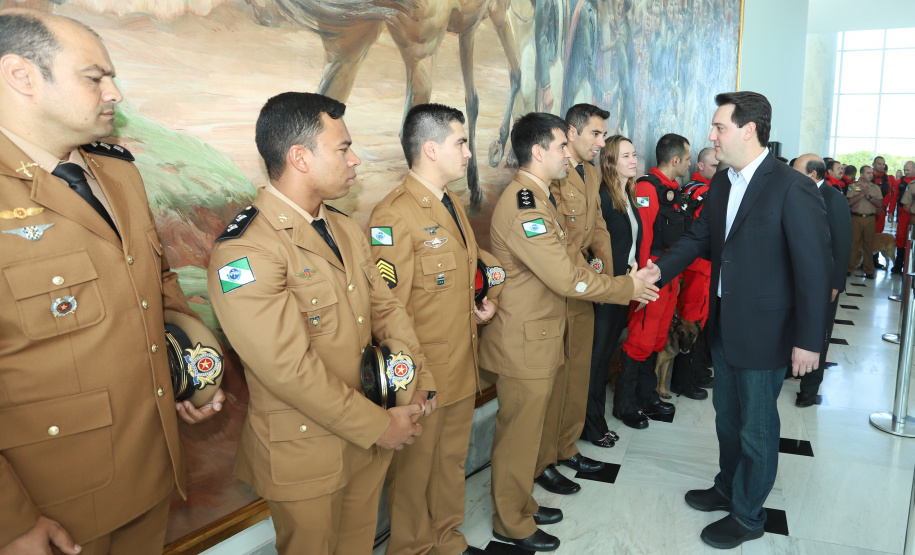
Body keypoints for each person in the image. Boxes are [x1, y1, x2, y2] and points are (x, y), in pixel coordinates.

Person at [0, 10, 226, 555]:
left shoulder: (117, 174)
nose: (115, 93)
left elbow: (157, 282)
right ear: (20, 76)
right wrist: (8, 522)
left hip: (150, 472)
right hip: (52, 506)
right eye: (95, 77)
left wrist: (190, 358)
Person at [208, 92, 435, 555]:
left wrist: (417, 381)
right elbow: (287, 368)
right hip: (306, 451)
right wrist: (378, 426)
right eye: (342, 148)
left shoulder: (344, 228)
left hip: (368, 435)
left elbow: (386, 310)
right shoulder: (246, 251)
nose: (355, 160)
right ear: (299, 157)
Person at [643, 91, 831, 549]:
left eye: (719, 127)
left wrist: (809, 342)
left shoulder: (792, 187)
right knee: (727, 417)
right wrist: (658, 269)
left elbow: (814, 269)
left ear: (749, 130)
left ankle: (748, 515)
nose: (711, 136)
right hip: (725, 325)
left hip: (767, 334)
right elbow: (699, 237)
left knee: (758, 427)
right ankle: (728, 486)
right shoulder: (726, 181)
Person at [478, 112, 658, 552]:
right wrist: (624, 287)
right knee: (518, 437)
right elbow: (564, 276)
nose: (569, 153)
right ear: (538, 152)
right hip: (524, 340)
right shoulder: (526, 202)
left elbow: (571, 261)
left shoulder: (540, 197)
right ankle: (511, 523)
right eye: (562, 146)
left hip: (541, 333)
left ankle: (521, 503)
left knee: (531, 431)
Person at [365, 103, 499, 555]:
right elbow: (389, 309)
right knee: (414, 476)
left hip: (461, 364)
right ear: (430, 148)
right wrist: (415, 382)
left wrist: (484, 298)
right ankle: (412, 549)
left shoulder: (451, 203)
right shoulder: (394, 217)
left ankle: (449, 541)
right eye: (461, 142)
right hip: (424, 376)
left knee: (450, 465)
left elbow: (466, 271)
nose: (468, 153)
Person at [535, 103, 613, 494]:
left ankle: (567, 447)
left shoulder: (592, 173)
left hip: (584, 289)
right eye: (595, 134)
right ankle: (543, 458)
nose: (601, 142)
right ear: (572, 132)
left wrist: (610, 283)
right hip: (557, 290)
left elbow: (598, 230)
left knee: (578, 373)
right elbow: (557, 246)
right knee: (557, 378)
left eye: (602, 135)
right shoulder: (553, 176)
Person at [615, 133, 692, 429]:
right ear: (675, 160)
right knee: (640, 341)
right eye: (686, 159)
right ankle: (626, 404)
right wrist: (645, 282)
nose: (688, 164)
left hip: (669, 276)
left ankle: (647, 397)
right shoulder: (648, 188)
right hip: (653, 276)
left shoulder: (672, 190)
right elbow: (644, 236)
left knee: (658, 340)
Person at [582, 135, 643, 447]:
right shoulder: (604, 197)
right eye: (625, 156)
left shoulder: (627, 194)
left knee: (604, 358)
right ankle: (592, 426)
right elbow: (591, 248)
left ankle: (593, 421)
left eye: (634, 155)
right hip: (607, 291)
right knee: (595, 361)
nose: (633, 161)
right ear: (609, 162)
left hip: (624, 289)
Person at [792, 154, 852, 407]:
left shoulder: (834, 199)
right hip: (796, 276)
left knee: (819, 331)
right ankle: (792, 368)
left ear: (813, 174)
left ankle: (810, 387)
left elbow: (842, 244)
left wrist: (836, 283)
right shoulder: (795, 194)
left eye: (796, 171)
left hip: (824, 280)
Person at [669, 146, 719, 400]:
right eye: (714, 165)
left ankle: (695, 373)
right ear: (700, 166)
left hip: (692, 266)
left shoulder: (687, 188)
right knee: (691, 325)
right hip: (701, 267)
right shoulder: (706, 193)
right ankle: (683, 382)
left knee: (691, 322)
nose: (719, 169)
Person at [847, 165, 882, 279]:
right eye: (868, 173)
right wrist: (861, 194)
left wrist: (869, 197)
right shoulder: (853, 186)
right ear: (861, 175)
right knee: (853, 244)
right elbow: (849, 202)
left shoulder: (875, 188)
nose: (871, 174)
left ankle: (869, 270)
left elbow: (880, 204)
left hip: (870, 219)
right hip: (856, 218)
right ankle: (849, 268)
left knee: (869, 244)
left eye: (871, 172)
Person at [892, 161, 915, 274]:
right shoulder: (900, 182)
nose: (906, 172)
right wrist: (891, 212)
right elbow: (894, 197)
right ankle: (898, 265)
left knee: (911, 239)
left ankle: (909, 266)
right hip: (903, 212)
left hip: (912, 213)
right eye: (905, 170)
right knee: (900, 238)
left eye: (908, 170)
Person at [871, 157, 891, 266]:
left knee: (878, 235)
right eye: (879, 164)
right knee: (867, 234)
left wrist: (883, 208)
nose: (881, 166)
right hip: (870, 210)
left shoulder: (886, 178)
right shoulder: (868, 175)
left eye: (883, 164)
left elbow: (888, 195)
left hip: (881, 211)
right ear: (873, 164)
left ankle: (875, 261)